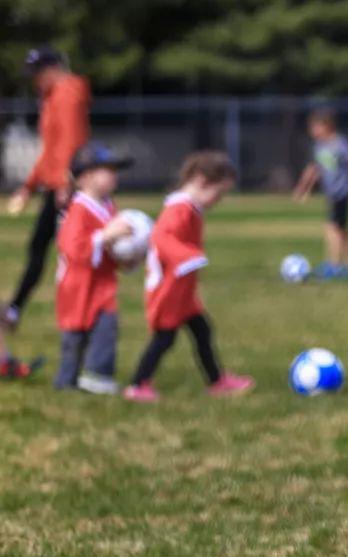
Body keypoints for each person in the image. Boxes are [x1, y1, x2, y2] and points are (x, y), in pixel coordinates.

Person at [124, 152, 255, 402]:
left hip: (183, 293)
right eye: (218, 194)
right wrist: (187, 256)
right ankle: (137, 385)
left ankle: (217, 381)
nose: (217, 201)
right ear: (201, 180)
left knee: (202, 330)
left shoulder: (189, 208)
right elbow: (161, 239)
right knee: (164, 339)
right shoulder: (179, 208)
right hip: (168, 291)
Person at [3, 46, 91, 330]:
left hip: (67, 186)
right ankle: (14, 309)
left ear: (54, 67)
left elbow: (71, 141)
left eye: (39, 72)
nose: (36, 80)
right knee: (39, 246)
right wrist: (28, 187)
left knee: (73, 252)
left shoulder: (68, 93)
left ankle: (82, 315)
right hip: (57, 185)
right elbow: (50, 150)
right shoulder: (51, 97)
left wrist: (67, 182)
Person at [54, 143, 134, 394]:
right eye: (108, 170)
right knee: (75, 337)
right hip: (77, 287)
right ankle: (66, 381)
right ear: (86, 176)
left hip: (101, 284)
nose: (114, 175)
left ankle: (99, 375)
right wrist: (105, 235)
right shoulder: (78, 209)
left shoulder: (109, 206)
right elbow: (73, 248)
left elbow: (113, 248)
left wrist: (127, 257)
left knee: (106, 326)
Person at [292, 108, 348, 280]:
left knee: (332, 228)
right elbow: (313, 169)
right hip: (332, 194)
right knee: (344, 230)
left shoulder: (340, 144)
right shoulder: (319, 147)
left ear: (327, 126)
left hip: (341, 192)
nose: (312, 131)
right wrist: (302, 188)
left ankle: (333, 265)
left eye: (315, 127)